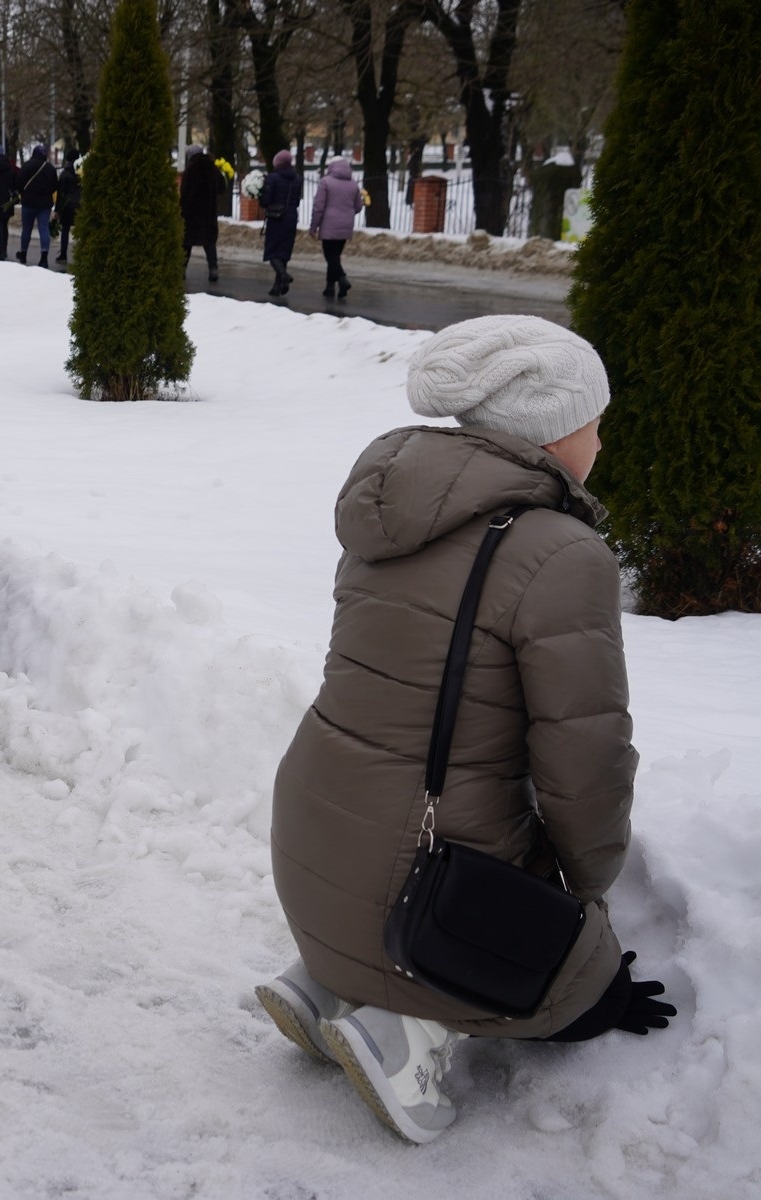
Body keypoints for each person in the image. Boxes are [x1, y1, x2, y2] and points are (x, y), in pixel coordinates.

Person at [255, 315, 672, 1145]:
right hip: (415, 863)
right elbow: (584, 757)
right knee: (584, 998)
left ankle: (329, 983)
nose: (601, 440)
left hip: (312, 842)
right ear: (556, 431)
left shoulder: (389, 510)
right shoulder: (561, 553)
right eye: (596, 422)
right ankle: (406, 1032)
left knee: (387, 894)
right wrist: (588, 900)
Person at [309, 157, 364, 299]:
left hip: (329, 225)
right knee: (335, 256)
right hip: (346, 225)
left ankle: (342, 279)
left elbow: (318, 207)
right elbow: (358, 206)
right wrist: (347, 212)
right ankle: (330, 287)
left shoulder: (325, 182)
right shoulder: (353, 185)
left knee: (330, 256)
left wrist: (313, 226)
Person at [258, 149, 300, 296]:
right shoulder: (297, 179)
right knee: (284, 252)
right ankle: (279, 286)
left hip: (276, 218)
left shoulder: (272, 178)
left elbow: (265, 201)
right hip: (291, 218)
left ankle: (283, 276)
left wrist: (260, 194)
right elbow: (297, 200)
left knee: (272, 252)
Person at [179, 146, 221, 282]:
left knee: (186, 243)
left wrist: (182, 209)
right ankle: (213, 269)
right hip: (209, 213)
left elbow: (185, 193)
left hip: (192, 214)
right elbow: (222, 186)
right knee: (209, 243)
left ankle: (181, 270)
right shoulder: (213, 168)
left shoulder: (190, 170)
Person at [15, 143, 57, 267]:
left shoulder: (27, 166)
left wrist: (24, 193)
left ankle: (23, 254)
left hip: (28, 202)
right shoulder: (50, 168)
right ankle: (44, 258)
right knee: (44, 228)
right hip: (45, 204)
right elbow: (55, 186)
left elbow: (19, 183)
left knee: (26, 229)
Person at [53, 151, 81, 265]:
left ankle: (63, 255)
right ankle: (81, 255)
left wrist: (57, 210)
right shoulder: (82, 172)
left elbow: (60, 194)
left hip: (67, 205)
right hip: (81, 205)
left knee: (65, 230)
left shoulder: (64, 174)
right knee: (81, 231)